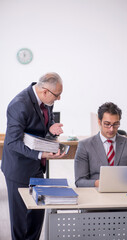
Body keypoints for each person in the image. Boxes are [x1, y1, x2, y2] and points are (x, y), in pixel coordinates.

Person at [1, 72, 65, 240]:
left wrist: (51, 128)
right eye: (57, 95)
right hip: (18, 168)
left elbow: (44, 124)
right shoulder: (19, 105)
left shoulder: (46, 101)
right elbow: (12, 142)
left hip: (37, 166)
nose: (58, 99)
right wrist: (39, 154)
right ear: (45, 91)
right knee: (21, 220)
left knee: (37, 215)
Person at [74, 102, 127, 187]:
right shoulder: (85, 146)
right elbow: (79, 181)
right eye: (107, 124)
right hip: (96, 192)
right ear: (99, 122)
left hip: (123, 191)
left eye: (115, 124)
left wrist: (119, 183)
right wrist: (100, 183)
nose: (111, 129)